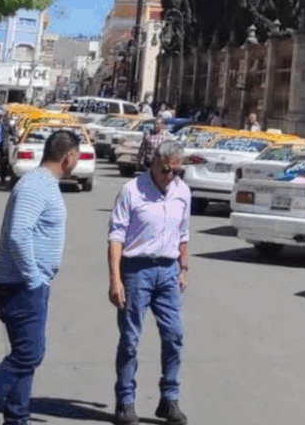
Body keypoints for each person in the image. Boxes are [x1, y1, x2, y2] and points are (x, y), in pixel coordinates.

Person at [0, 130, 81, 425]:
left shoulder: (43, 183)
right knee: (29, 354)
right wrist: (33, 277)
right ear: (69, 157)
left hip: (27, 284)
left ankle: (17, 418)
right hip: (20, 285)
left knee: (24, 355)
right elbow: (18, 233)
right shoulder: (37, 185)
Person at [108, 140, 191, 425]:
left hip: (168, 272)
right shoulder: (131, 191)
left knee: (174, 336)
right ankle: (125, 401)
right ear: (153, 164)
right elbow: (116, 237)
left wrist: (184, 267)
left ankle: (169, 399)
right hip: (136, 271)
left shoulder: (182, 192)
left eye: (176, 171)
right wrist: (115, 279)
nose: (170, 176)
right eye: (166, 170)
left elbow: (183, 233)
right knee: (130, 340)